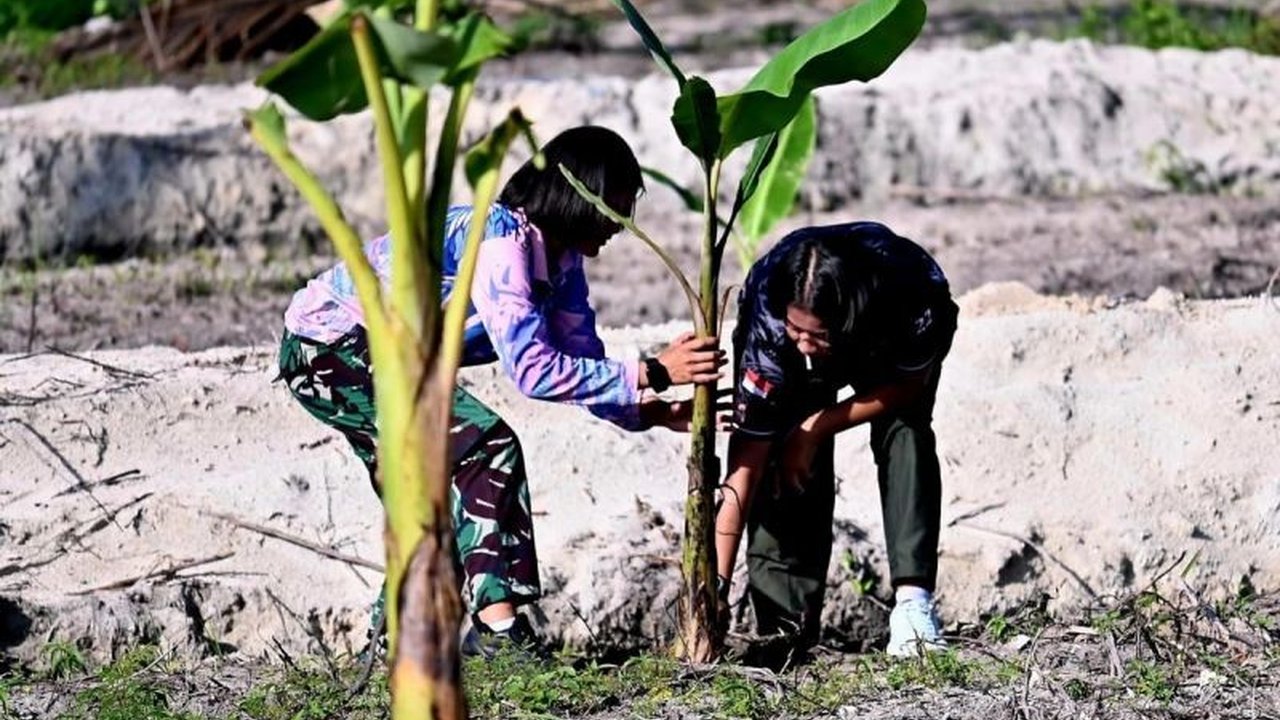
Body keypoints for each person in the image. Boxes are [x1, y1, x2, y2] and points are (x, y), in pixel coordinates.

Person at [276, 126, 723, 655]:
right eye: (616, 211)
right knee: (485, 446)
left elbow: (580, 364)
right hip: (333, 349)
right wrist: (654, 370)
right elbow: (533, 371)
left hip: (392, 360)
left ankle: (397, 637)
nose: (620, 227)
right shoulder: (500, 241)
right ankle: (498, 629)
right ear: (577, 195)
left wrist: (646, 411)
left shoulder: (561, 265)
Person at [713, 221, 958, 659]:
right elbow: (747, 457)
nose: (805, 346)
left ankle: (913, 608)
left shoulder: (908, 289)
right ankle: (785, 629)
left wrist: (816, 428)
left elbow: (907, 386)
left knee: (905, 430)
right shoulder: (769, 317)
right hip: (785, 337)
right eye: (797, 330)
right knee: (777, 456)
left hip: (886, 343)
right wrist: (713, 588)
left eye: (817, 335)